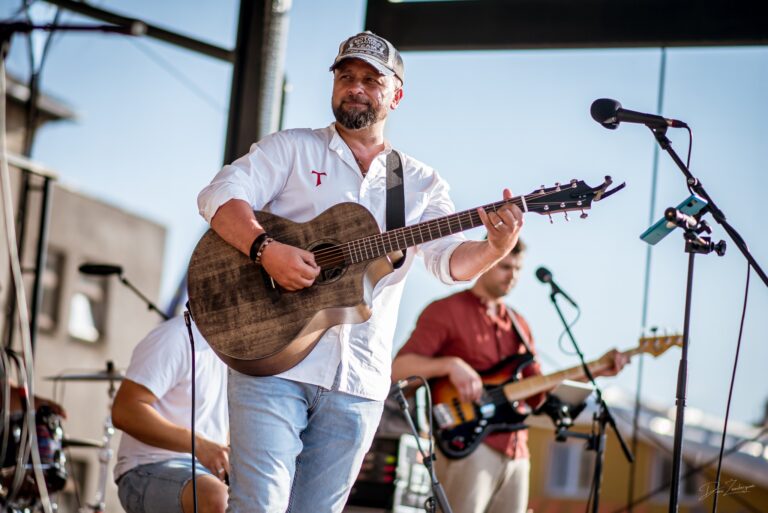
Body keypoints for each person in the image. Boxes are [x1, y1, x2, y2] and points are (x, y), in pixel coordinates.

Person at [196, 31, 525, 513]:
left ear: (396, 95)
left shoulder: (419, 183)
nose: (356, 87)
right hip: (270, 360)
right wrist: (265, 249)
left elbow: (448, 262)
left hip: (359, 384)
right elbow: (218, 195)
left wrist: (495, 248)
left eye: (371, 80)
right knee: (259, 505)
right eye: (346, 76)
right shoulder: (292, 149)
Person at [391, 240, 628, 513]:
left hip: (517, 451)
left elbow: (539, 389)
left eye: (517, 268)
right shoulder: (445, 310)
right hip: (468, 445)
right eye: (505, 266)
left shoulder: (519, 323)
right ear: (485, 262)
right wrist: (450, 365)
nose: (512, 275)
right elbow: (399, 369)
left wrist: (597, 369)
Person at [111, 316, 229, 513]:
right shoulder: (175, 336)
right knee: (219, 500)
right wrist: (199, 445)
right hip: (145, 469)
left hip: (208, 475)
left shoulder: (241, 354)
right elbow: (124, 410)